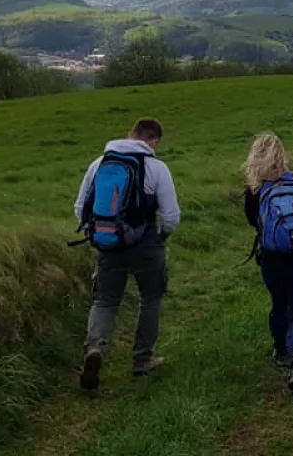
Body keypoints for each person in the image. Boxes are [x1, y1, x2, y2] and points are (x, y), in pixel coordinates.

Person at [74, 117, 180, 391]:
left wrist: (99, 236)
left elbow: (80, 208)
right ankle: (142, 359)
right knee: (151, 298)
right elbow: (170, 217)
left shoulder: (99, 164)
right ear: (153, 140)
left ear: (130, 134)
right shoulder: (156, 167)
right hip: (145, 246)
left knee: (105, 301)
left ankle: (95, 349)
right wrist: (160, 238)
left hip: (108, 245)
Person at [244, 133, 293, 397]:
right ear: (282, 154)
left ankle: (281, 350)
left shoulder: (255, 190)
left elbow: (254, 222)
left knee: (279, 304)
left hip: (273, 260)